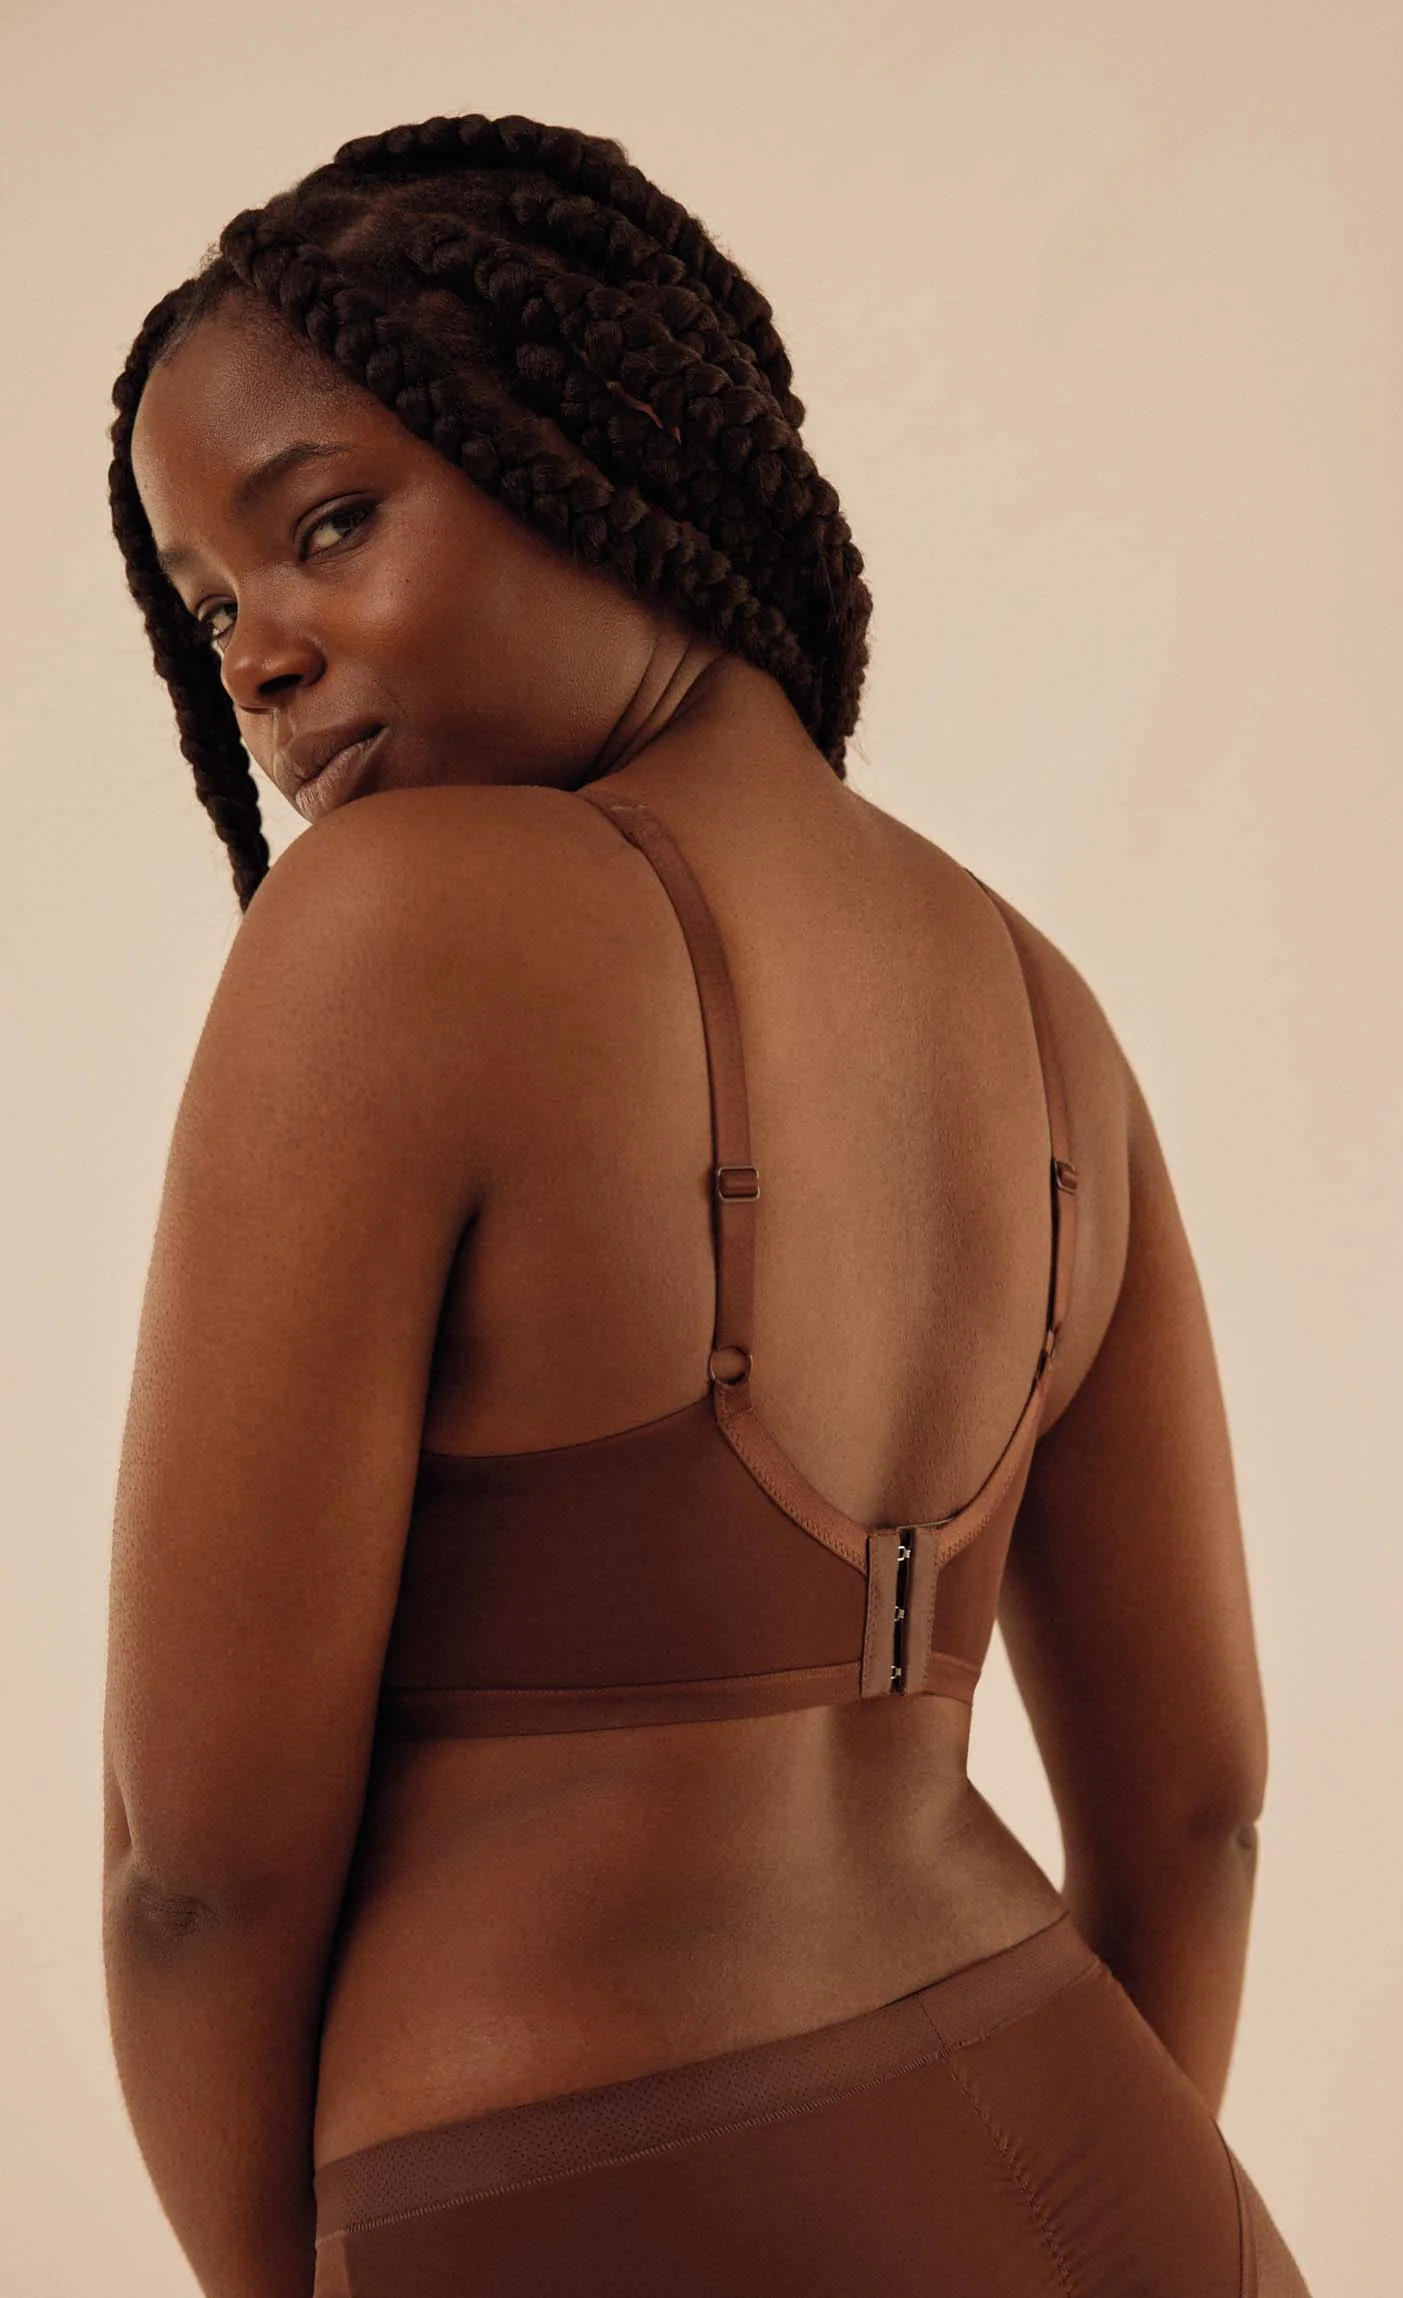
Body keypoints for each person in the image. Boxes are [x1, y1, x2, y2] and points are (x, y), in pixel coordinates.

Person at [101, 111, 1310, 2297]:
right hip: (1119, 2181)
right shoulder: (1046, 1010)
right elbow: (1199, 1812)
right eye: (212, 610)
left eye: (330, 524)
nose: (258, 653)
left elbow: (196, 1879)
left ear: (600, 449)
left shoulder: (393, 930)